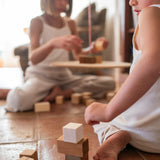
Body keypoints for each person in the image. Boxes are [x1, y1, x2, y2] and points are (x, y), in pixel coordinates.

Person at [4, 0, 115, 112]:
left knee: (110, 83)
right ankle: (50, 91)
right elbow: (33, 58)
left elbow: (78, 55)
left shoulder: (70, 24)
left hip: (64, 78)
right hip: (40, 77)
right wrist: (52, 44)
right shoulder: (37, 22)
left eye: (66, 0)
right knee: (16, 100)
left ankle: (61, 93)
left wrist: (93, 48)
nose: (63, 4)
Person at [85, 0, 160, 159]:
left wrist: (107, 111)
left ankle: (115, 136)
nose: (132, 2)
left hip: (147, 136)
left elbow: (153, 61)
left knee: (98, 115)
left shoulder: (152, 12)